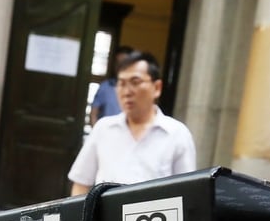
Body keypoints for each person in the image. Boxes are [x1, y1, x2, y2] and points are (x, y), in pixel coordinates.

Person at [68, 51, 197, 195]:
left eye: (135, 82)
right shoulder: (103, 129)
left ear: (157, 88)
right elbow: (81, 183)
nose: (127, 92)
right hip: (107, 216)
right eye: (121, 83)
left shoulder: (177, 134)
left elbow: (187, 192)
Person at [89, 45, 133, 125]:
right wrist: (97, 134)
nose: (119, 66)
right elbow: (93, 113)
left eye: (123, 63)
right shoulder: (105, 87)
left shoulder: (137, 89)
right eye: (117, 63)